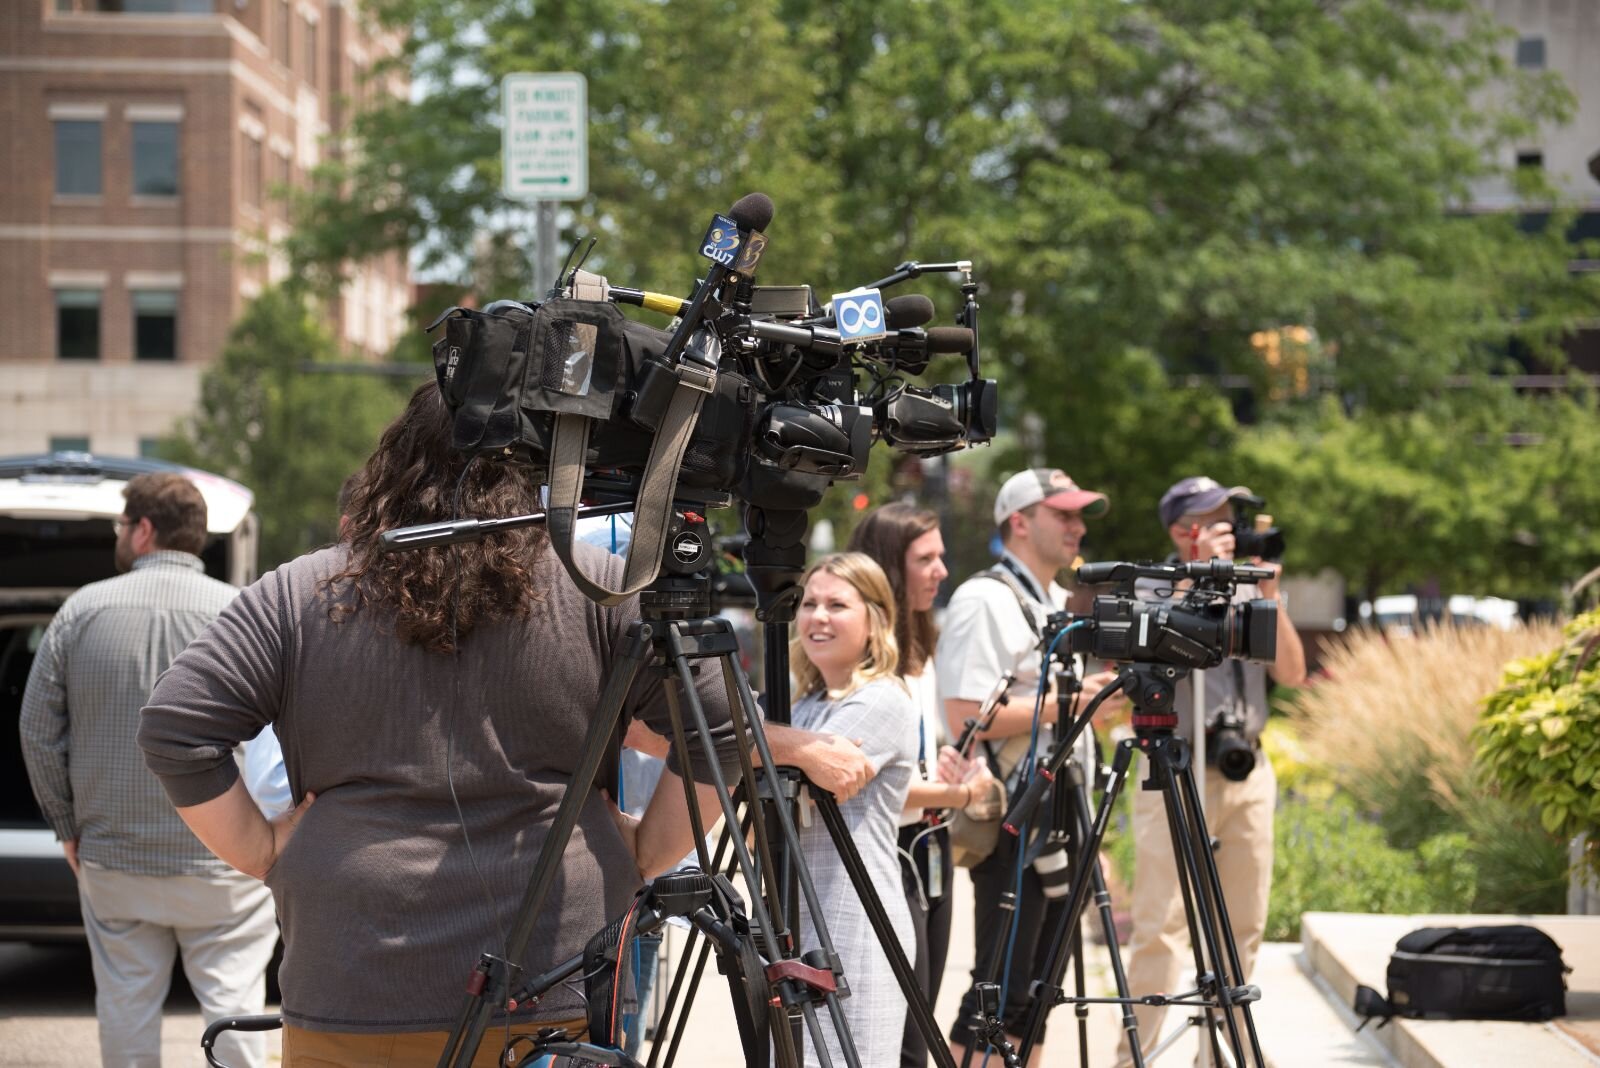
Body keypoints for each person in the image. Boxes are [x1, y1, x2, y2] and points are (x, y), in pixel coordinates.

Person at [137, 382, 873, 1066]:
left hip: (349, 976)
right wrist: (644, 853)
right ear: (531, 472)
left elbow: (176, 728)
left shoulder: (299, 593)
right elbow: (717, 730)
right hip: (549, 981)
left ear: (391, 465)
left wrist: (262, 850)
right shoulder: (598, 586)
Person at [19, 472, 282, 1068]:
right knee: (236, 1007)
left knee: (125, 1010)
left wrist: (66, 826)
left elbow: (37, 732)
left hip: (115, 862)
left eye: (120, 524)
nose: (118, 533)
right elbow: (283, 733)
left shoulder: (79, 611)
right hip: (227, 863)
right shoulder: (241, 611)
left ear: (142, 530)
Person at [1117, 476, 1307, 1066]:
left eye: (1232, 517)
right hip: (1176, 765)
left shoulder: (1253, 587)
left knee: (1243, 922)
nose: (1232, 527)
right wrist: (1194, 584)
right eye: (1216, 519)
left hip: (1245, 764)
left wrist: (1269, 593)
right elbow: (1140, 666)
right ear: (1183, 531)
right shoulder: (1153, 585)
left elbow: (1294, 673)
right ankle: (1136, 1055)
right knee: (1161, 924)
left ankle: (1219, 1052)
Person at [938, 468, 1121, 1065]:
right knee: (997, 993)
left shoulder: (1047, 600)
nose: (1077, 527)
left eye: (1079, 515)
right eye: (1062, 514)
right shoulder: (984, 598)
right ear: (1019, 521)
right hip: (1014, 819)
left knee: (1035, 998)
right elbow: (967, 713)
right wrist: (1076, 702)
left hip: (1058, 814)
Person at [848, 502, 991, 1068]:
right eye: (926, 559)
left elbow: (915, 762)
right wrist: (959, 794)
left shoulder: (924, 648)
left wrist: (952, 767)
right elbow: (877, 785)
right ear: (888, 565)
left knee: (920, 1021)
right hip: (889, 854)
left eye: (942, 557)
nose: (942, 571)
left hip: (931, 849)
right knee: (901, 1037)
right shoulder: (863, 662)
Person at [788, 551, 921, 1068]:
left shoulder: (883, 699)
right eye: (810, 603)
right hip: (799, 915)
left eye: (837, 604)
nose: (818, 616)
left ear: (874, 619)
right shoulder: (803, 704)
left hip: (856, 920)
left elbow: (800, 781)